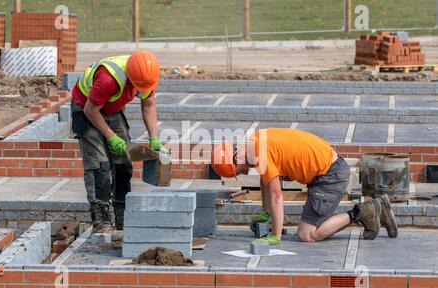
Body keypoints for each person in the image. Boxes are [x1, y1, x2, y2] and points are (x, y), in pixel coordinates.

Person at [211, 128, 398, 244]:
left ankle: (365, 212)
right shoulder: (256, 140)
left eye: (239, 171)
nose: (243, 173)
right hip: (326, 170)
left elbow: (277, 196)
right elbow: (266, 182)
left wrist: (275, 236)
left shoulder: (260, 155)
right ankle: (374, 211)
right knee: (306, 230)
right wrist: (265, 215)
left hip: (330, 176)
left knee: (307, 234)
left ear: (237, 158)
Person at [71, 51, 167, 233]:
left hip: (110, 107)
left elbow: (148, 105)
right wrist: (110, 135)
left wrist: (153, 137)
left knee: (123, 162)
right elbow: (90, 110)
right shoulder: (108, 79)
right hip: (86, 106)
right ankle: (102, 220)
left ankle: (122, 213)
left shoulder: (146, 75)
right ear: (130, 77)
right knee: (100, 165)